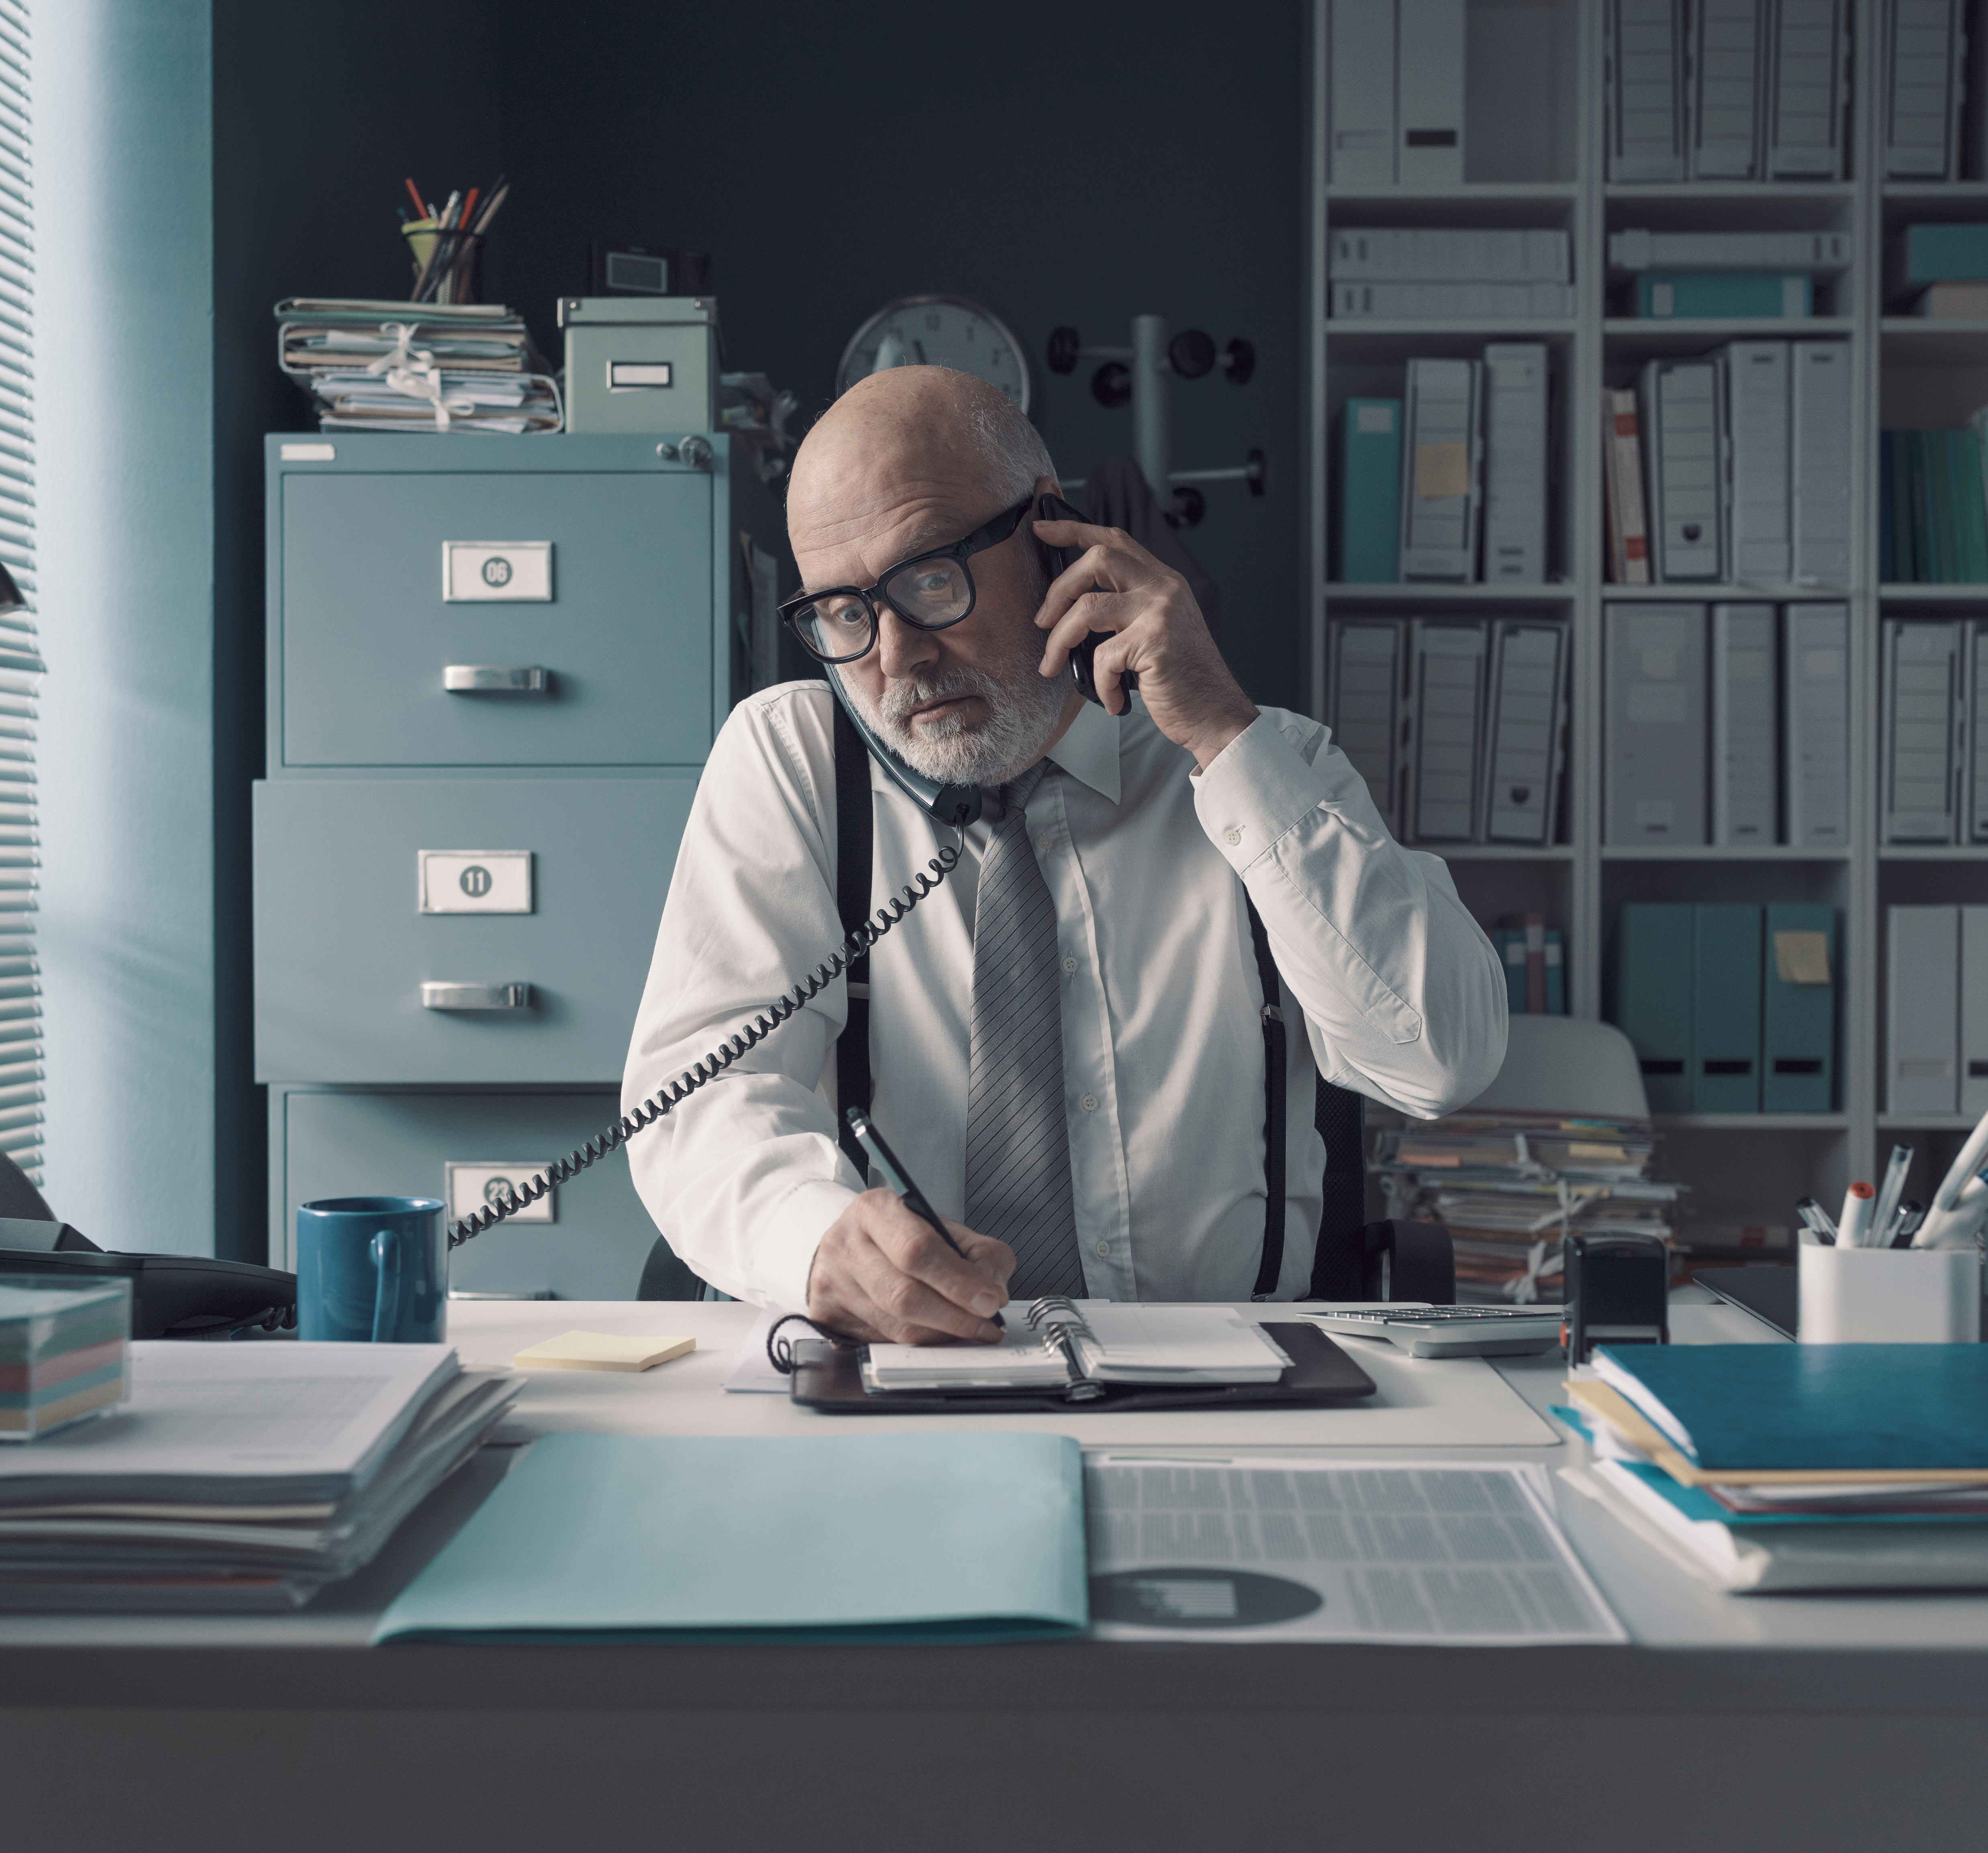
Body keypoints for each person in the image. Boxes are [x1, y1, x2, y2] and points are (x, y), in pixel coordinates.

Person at [622, 365, 1504, 1343]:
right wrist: (814, 1235)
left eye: (927, 579)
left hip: (1226, 1386)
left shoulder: (1268, 764)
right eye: (841, 612)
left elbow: (1444, 1061)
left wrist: (1222, 737)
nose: (894, 656)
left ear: (1054, 535)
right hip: (901, 1374)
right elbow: (699, 1103)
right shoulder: (795, 758)